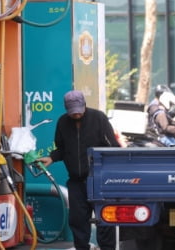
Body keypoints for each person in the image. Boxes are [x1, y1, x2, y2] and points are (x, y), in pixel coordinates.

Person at [37, 90, 120, 250]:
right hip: (76, 181)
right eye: (72, 111)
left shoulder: (99, 118)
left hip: (99, 180)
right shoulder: (62, 122)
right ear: (66, 108)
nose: (76, 114)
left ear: (84, 105)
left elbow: (113, 148)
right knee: (78, 220)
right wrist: (52, 158)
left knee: (104, 219)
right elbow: (61, 148)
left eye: (78, 110)